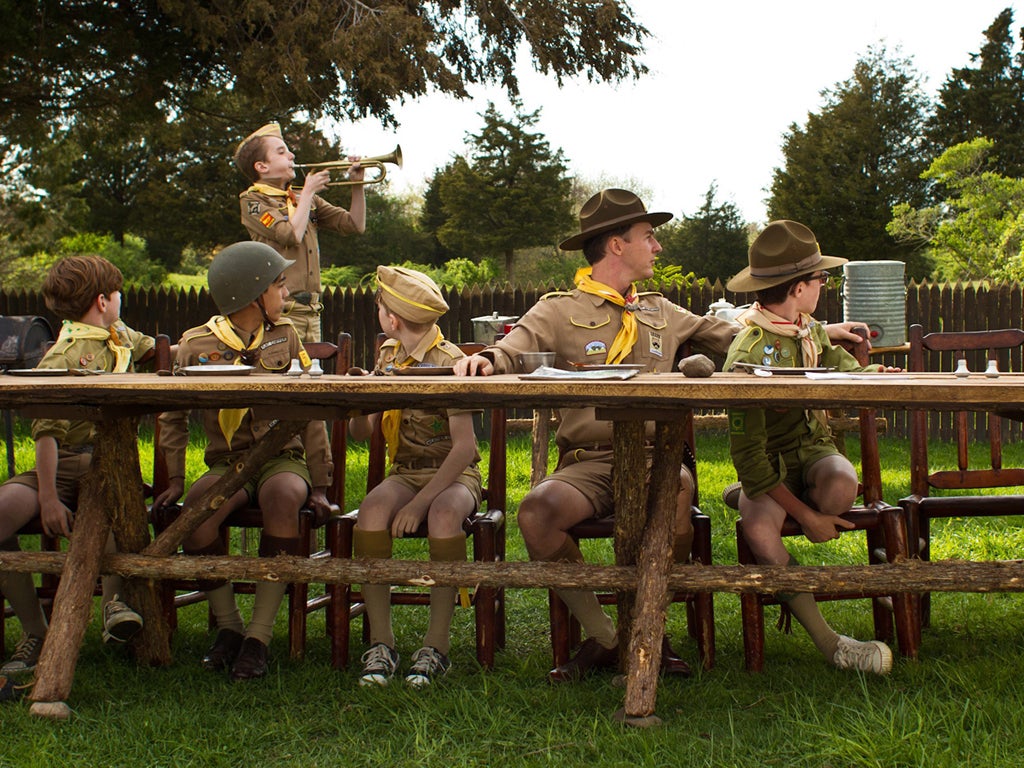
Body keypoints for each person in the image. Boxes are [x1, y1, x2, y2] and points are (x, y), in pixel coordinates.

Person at [455, 189, 869, 683]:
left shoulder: (661, 311)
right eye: (649, 237)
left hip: (658, 457)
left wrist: (818, 329)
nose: (658, 247)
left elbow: (742, 334)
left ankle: (652, 625)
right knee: (536, 513)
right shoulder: (557, 310)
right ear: (615, 245)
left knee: (671, 502)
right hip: (590, 460)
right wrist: (486, 359)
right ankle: (608, 634)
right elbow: (514, 347)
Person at [722, 219, 899, 675]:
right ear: (800, 287)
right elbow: (749, 455)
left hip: (813, 451)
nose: (825, 284)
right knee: (761, 532)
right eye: (822, 278)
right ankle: (831, 643)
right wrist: (807, 518)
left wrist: (877, 376)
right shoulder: (747, 352)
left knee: (842, 484)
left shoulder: (810, 330)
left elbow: (844, 368)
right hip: (767, 463)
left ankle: (753, 501)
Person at [151, 241, 334, 681]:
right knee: (197, 512)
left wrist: (322, 482)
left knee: (286, 495)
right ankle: (230, 626)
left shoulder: (285, 336)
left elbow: (309, 413)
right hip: (225, 461)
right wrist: (175, 478)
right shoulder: (195, 345)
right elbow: (172, 416)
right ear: (253, 295)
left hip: (279, 458)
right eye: (278, 285)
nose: (286, 293)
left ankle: (259, 635)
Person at [0, 255, 155, 677]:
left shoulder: (118, 334)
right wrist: (47, 497)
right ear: (103, 300)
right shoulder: (63, 354)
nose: (121, 299)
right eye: (118, 293)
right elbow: (47, 432)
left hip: (108, 464)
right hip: (60, 463)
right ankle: (36, 631)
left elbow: (156, 348)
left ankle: (114, 604)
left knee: (106, 507)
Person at [349, 266, 482, 688]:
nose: (380, 314)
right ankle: (381, 642)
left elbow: (465, 449)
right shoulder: (387, 356)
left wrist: (419, 503)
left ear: (393, 318)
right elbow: (359, 434)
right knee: (370, 511)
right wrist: (364, 397)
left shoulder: (452, 362)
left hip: (454, 475)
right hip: (405, 472)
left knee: (443, 515)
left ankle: (435, 645)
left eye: (380, 307)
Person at [235, 122, 366, 342]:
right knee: (283, 374)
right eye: (281, 151)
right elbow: (290, 235)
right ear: (262, 166)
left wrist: (358, 185)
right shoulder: (253, 201)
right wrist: (307, 193)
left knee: (312, 374)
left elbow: (354, 224)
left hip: (312, 310)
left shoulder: (303, 197)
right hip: (281, 310)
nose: (291, 155)